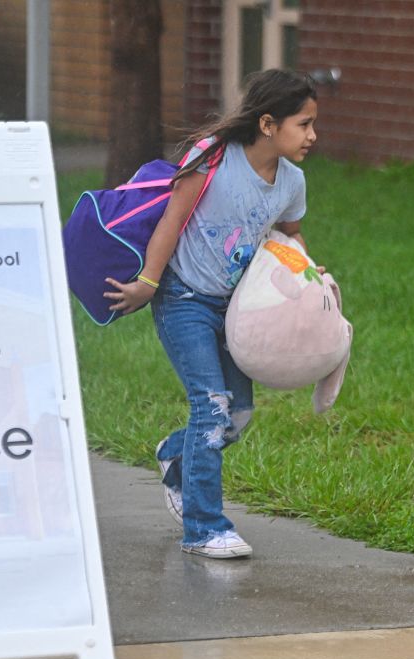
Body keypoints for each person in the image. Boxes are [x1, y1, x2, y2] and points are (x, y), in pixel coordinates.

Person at [103, 69, 318, 559]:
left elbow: (290, 234)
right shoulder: (213, 157)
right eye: (303, 124)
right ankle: (203, 527)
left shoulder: (292, 182)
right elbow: (172, 220)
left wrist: (304, 272)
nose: (313, 136)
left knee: (238, 415)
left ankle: (175, 453)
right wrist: (148, 284)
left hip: (235, 308)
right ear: (268, 124)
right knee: (212, 406)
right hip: (183, 297)